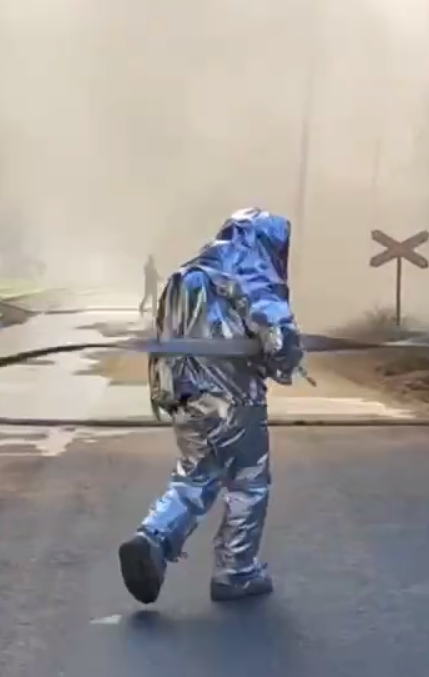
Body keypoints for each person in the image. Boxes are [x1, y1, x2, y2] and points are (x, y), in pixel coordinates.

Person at [118, 208, 303, 605]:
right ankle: (236, 571)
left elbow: (164, 339)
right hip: (234, 396)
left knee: (195, 476)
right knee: (249, 481)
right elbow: (279, 334)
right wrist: (284, 363)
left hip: (186, 396)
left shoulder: (189, 273)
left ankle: (152, 539)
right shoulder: (248, 268)